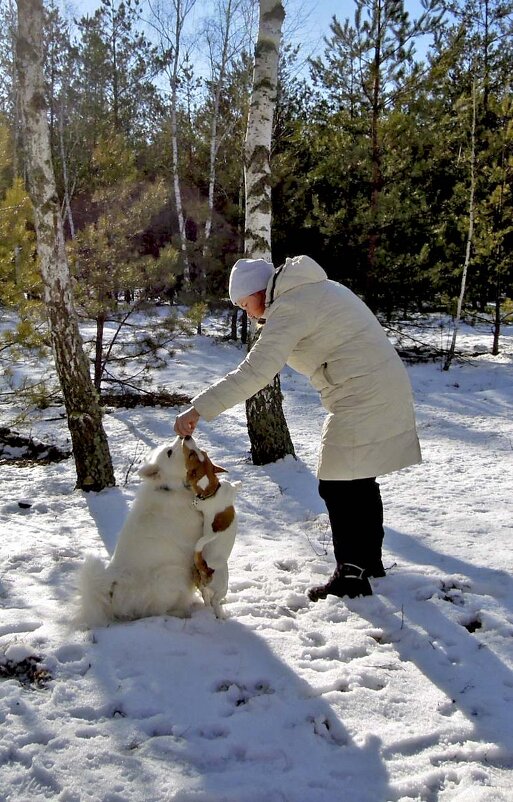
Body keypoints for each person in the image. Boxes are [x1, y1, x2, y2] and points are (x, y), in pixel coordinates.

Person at [174, 255, 421, 601]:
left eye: (246, 305)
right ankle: (367, 562)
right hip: (377, 387)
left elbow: (255, 373)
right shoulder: (308, 290)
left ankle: (352, 574)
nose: (248, 314)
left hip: (363, 394)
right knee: (358, 477)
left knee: (337, 483)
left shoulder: (290, 306)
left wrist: (199, 409)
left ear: (259, 292)